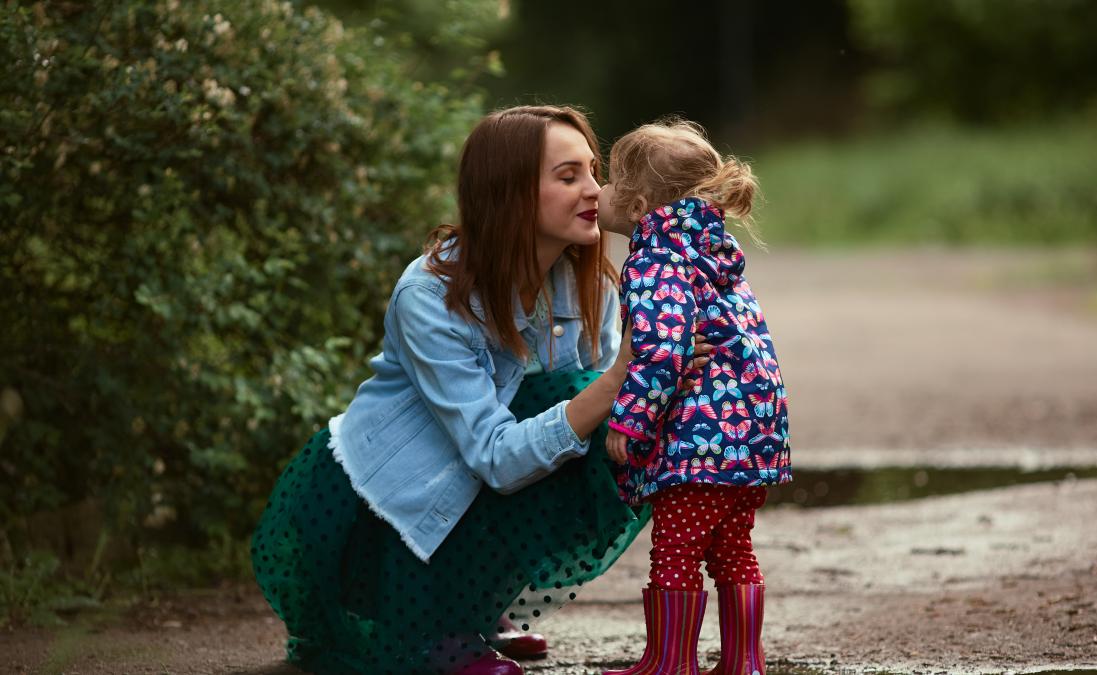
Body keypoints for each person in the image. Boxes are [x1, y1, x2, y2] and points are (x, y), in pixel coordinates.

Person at [250, 105, 714, 675]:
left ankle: (475, 603)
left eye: (593, 171)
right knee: (586, 395)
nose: (596, 190)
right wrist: (624, 375)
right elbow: (494, 456)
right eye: (568, 177)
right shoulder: (430, 295)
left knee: (624, 421)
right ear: (510, 193)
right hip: (389, 507)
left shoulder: (590, 284)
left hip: (481, 478)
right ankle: (438, 626)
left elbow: (591, 418)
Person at [596, 119, 792, 675]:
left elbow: (660, 350)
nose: (598, 193)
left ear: (635, 205)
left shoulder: (657, 257)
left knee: (676, 551)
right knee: (732, 550)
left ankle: (670, 660)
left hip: (700, 440)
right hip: (751, 439)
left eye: (608, 181)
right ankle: (743, 662)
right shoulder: (711, 248)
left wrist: (628, 421)